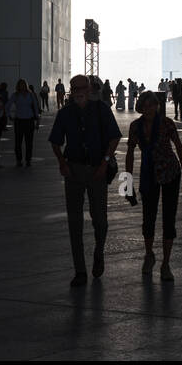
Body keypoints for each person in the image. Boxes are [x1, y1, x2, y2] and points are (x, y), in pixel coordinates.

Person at [48, 74, 122, 286]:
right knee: (74, 222)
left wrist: (105, 162)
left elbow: (114, 137)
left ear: (89, 89)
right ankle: (80, 271)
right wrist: (62, 162)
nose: (78, 91)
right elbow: (55, 141)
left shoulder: (101, 110)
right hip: (74, 171)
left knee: (100, 219)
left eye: (82, 87)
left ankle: (99, 252)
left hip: (97, 170)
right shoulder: (65, 114)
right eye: (75, 87)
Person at [125, 91, 182, 281]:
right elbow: (129, 154)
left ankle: (166, 263)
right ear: (141, 107)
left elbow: (178, 146)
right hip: (149, 175)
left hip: (170, 173)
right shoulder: (135, 127)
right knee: (148, 217)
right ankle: (149, 255)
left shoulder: (166, 123)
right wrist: (127, 184)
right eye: (145, 106)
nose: (149, 109)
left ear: (157, 106)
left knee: (169, 218)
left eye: (152, 105)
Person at [10, 79, 40, 168]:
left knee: (29, 142)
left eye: (23, 84)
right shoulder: (15, 95)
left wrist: (37, 121)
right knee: (18, 142)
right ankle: (19, 160)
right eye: (20, 84)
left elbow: (36, 108)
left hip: (29, 121)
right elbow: (7, 105)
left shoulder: (31, 95)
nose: (22, 86)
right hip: (19, 121)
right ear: (18, 86)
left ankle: (28, 160)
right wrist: (9, 115)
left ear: (26, 85)